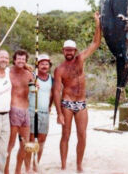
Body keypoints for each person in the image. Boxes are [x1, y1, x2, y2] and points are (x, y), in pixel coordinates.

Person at [53, 12, 101, 173]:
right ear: (63, 51)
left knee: (82, 135)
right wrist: (59, 113)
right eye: (66, 50)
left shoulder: (80, 59)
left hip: (81, 103)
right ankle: (64, 165)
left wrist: (97, 22)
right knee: (65, 135)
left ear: (75, 50)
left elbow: (95, 43)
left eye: (71, 49)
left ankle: (79, 165)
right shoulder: (59, 69)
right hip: (66, 103)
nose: (69, 52)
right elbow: (56, 91)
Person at [4, 49, 34, 174]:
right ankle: (6, 170)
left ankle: (18, 171)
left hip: (26, 112)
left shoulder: (28, 74)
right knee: (10, 145)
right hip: (13, 110)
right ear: (14, 60)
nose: (21, 61)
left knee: (25, 145)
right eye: (18, 59)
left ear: (26, 61)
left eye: (23, 59)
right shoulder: (7, 72)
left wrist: (35, 86)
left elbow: (32, 89)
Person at [26, 54, 54, 172]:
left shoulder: (51, 79)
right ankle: (27, 165)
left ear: (49, 66)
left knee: (42, 139)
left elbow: (52, 94)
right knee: (31, 139)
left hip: (44, 113)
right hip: (32, 111)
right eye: (41, 63)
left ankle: (36, 162)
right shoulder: (32, 76)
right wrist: (28, 67)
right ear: (38, 65)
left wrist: (50, 106)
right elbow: (20, 68)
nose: (44, 66)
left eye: (46, 64)